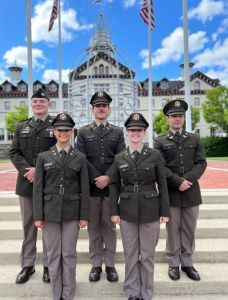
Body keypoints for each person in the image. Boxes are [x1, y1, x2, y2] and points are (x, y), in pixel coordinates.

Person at [110, 112, 170, 300]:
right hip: (127, 211)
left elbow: (162, 183)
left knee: (147, 255)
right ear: (127, 133)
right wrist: (114, 211)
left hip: (151, 209)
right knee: (130, 254)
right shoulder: (119, 157)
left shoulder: (155, 155)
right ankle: (132, 291)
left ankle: (147, 291)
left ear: (144, 133)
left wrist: (164, 211)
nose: (135, 133)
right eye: (132, 130)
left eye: (139, 130)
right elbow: (113, 184)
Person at [33, 113, 90, 300]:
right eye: (59, 130)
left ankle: (68, 294)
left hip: (72, 213)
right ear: (54, 132)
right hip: (49, 213)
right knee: (53, 255)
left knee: (69, 255)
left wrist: (84, 216)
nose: (63, 133)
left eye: (66, 130)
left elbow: (84, 188)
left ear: (71, 132)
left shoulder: (80, 157)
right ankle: (56, 294)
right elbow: (38, 188)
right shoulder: (43, 157)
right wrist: (38, 216)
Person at [154, 99, 207, 282]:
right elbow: (160, 167)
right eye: (174, 116)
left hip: (191, 191)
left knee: (189, 228)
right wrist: (178, 182)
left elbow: (201, 163)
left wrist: (188, 180)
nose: (177, 119)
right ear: (167, 118)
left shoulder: (194, 138)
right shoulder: (159, 140)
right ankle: (173, 262)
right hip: (172, 192)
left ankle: (187, 262)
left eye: (180, 116)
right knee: (173, 229)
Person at [76, 91, 126, 283]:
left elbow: (121, 157)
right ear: (93, 109)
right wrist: (98, 177)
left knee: (109, 227)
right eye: (98, 106)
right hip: (91, 186)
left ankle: (111, 264)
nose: (101, 108)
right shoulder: (83, 132)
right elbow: (81, 158)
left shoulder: (117, 131)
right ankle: (96, 265)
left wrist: (108, 176)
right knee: (94, 228)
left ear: (109, 109)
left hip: (111, 186)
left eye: (104, 106)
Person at [9, 89, 56, 284]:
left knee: (47, 225)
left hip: (49, 183)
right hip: (26, 183)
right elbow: (14, 152)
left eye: (42, 101)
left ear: (48, 104)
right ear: (31, 104)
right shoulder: (22, 127)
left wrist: (39, 170)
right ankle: (27, 265)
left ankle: (48, 265)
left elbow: (59, 149)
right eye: (35, 101)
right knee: (29, 225)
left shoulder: (57, 125)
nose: (38, 104)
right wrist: (27, 171)